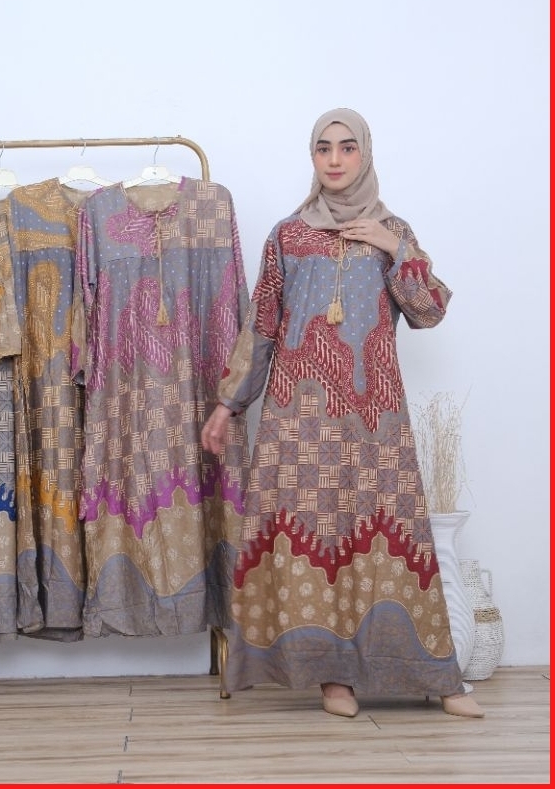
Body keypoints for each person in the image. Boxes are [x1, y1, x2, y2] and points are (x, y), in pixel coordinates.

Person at [201, 107, 484, 719]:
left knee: (391, 536)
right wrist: (228, 404)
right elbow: (262, 326)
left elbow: (430, 311)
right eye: (323, 148)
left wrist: (395, 248)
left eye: (347, 147)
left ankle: (439, 677)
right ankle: (334, 680)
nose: (334, 159)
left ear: (365, 154)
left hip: (373, 418)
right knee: (317, 537)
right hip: (298, 420)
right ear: (312, 156)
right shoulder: (287, 236)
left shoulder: (393, 229)